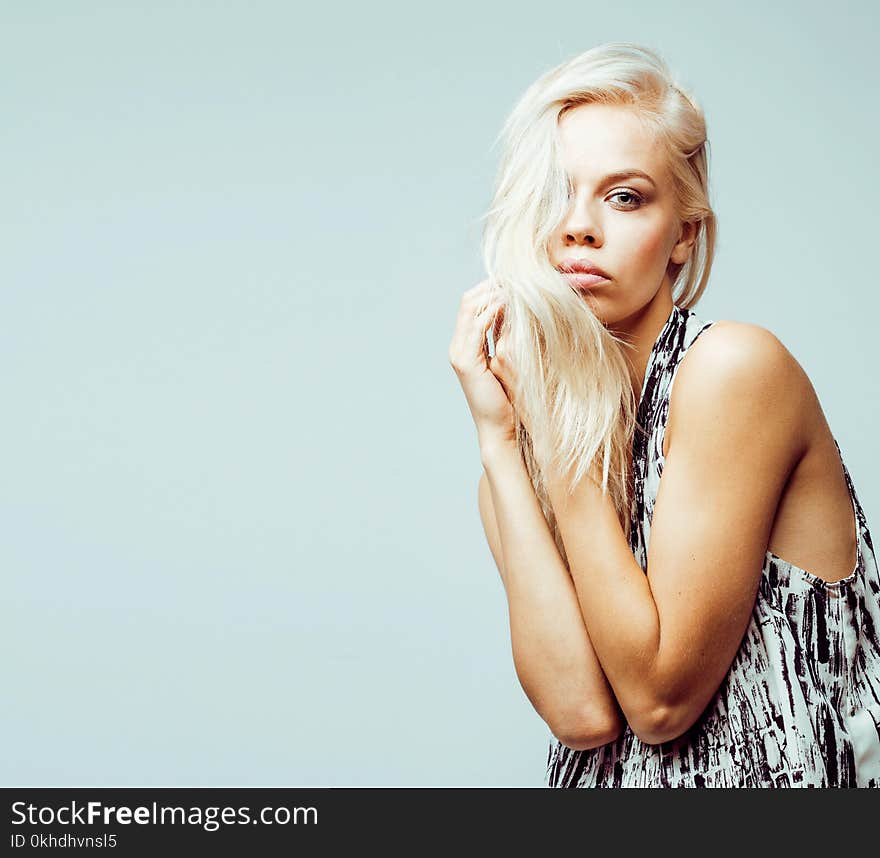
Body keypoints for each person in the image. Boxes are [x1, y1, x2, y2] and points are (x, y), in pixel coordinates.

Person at [448, 42, 880, 788]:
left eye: (625, 197)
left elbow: (658, 702)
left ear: (683, 232)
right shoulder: (524, 448)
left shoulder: (732, 372)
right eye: (557, 194)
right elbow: (582, 715)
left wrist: (548, 443)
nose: (579, 228)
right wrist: (499, 440)